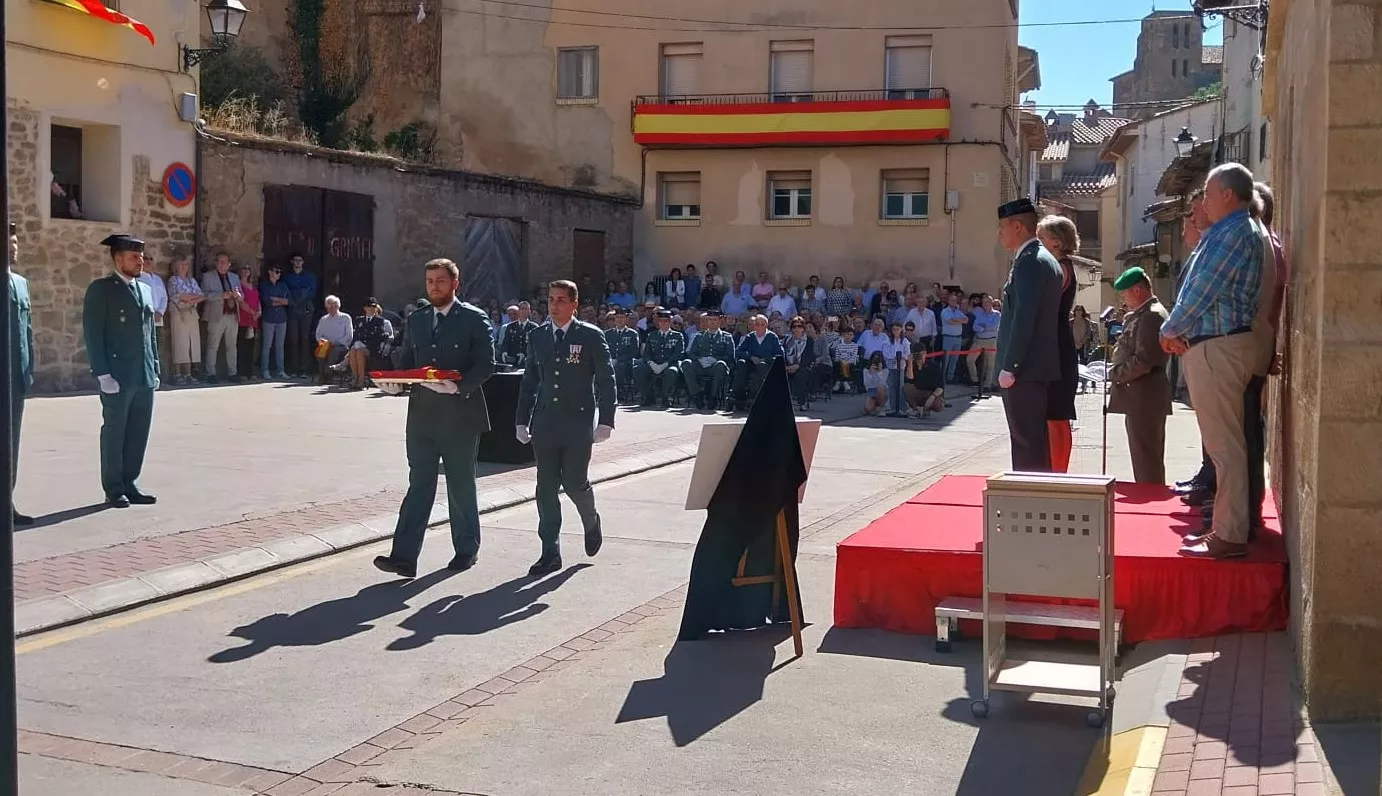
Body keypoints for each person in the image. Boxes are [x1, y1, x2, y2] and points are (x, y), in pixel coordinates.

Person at [1163, 164, 1266, 560]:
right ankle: (1226, 528)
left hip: (1218, 348)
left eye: (1207, 192)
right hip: (1216, 345)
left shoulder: (1235, 232)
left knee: (1225, 447)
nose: (1203, 200)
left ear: (1228, 194)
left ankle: (1230, 534)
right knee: (1225, 446)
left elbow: (1202, 290)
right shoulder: (1233, 230)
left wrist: (1170, 329)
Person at [373, 259, 496, 580]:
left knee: (460, 486)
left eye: (440, 281)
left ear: (455, 284)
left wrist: (458, 386)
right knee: (419, 486)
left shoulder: (472, 318)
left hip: (460, 416)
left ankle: (466, 549)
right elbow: (408, 362)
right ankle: (403, 557)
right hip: (423, 418)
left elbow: (486, 364)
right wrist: (395, 385)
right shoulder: (417, 319)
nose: (434, 287)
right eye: (429, 281)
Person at [515, 280, 615, 576]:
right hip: (546, 421)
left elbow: (606, 380)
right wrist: (521, 419)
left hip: (577, 420)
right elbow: (530, 381)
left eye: (561, 300)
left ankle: (590, 520)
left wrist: (606, 420)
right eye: (550, 300)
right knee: (545, 487)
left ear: (574, 304)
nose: (554, 305)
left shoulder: (590, 336)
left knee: (573, 482)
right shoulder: (538, 336)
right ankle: (550, 552)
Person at [83, 234, 159, 508]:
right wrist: (102, 374)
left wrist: (155, 367)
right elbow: (93, 333)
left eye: (141, 256)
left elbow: (150, 334)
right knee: (115, 432)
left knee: (138, 431)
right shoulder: (102, 289)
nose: (140, 261)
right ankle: (114, 488)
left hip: (143, 375)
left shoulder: (145, 290)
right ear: (118, 259)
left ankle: (130, 482)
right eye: (133, 257)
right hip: (117, 375)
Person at [994, 198, 1064, 471]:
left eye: (1003, 227)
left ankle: (1030, 500)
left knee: (1026, 443)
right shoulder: (1038, 258)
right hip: (1033, 366)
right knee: (1032, 440)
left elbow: (1024, 318)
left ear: (1018, 226)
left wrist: (1010, 365)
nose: (999, 233)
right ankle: (1036, 495)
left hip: (1025, 368)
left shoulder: (1031, 261)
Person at [1107, 267, 1172, 484]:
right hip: (1141, 396)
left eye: (1124, 293)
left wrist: (1117, 373)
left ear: (1137, 290)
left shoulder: (1151, 316)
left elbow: (1144, 361)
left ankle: (1151, 503)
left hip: (1145, 396)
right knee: (1144, 456)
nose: (1123, 299)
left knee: (1147, 460)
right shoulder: (1143, 314)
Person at [1036, 215, 1082, 473]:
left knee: (1057, 416)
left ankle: (1058, 472)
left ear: (1056, 241)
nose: (1038, 242)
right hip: (1053, 344)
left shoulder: (1060, 268)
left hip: (1057, 347)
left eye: (1041, 237)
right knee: (1052, 416)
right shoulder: (1057, 265)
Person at [9, 224, 35, 525]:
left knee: (12, 443)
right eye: (9, 241)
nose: (14, 247)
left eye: (16, 241)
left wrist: (29, 369)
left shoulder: (20, 283)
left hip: (16, 377)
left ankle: (7, 503)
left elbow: (28, 332)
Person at [200, 252, 242, 383]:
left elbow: (242, 296)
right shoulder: (207, 277)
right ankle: (210, 373)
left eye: (225, 262)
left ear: (229, 264)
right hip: (216, 314)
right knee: (213, 345)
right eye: (219, 262)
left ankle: (232, 372)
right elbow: (203, 295)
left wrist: (237, 296)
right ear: (216, 263)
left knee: (232, 346)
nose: (222, 264)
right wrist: (220, 296)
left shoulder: (234, 277)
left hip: (232, 315)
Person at [680, 310, 734, 410]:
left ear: (719, 321)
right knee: (686, 363)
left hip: (716, 367)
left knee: (721, 365)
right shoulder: (699, 336)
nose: (712, 322)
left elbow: (731, 356)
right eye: (710, 320)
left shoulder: (727, 337)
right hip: (701, 365)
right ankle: (696, 395)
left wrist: (715, 359)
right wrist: (700, 359)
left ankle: (713, 397)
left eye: (715, 320)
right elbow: (691, 353)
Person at [730, 314, 782, 410]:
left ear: (766, 326)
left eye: (762, 324)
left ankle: (752, 396)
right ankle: (738, 393)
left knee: (761, 366)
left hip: (766, 365)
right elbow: (738, 351)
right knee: (741, 363)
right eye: (757, 324)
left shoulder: (772, 337)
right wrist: (750, 357)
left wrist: (765, 359)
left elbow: (780, 354)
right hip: (751, 362)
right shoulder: (750, 337)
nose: (759, 327)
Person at [166, 256, 204, 385]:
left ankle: (188, 374)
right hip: (179, 314)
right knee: (180, 343)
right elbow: (176, 296)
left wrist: (189, 299)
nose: (184, 267)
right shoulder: (173, 280)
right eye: (181, 264)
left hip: (192, 313)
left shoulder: (191, 280)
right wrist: (190, 298)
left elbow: (201, 296)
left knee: (191, 344)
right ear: (175, 267)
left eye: (186, 264)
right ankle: (177, 374)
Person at [635, 310, 684, 407]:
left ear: (670, 322)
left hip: (669, 364)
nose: (663, 323)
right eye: (661, 321)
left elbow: (679, 354)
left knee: (672, 372)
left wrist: (665, 364)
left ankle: (665, 397)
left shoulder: (678, 336)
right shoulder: (652, 335)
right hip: (654, 363)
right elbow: (646, 353)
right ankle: (648, 396)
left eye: (666, 321)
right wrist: (651, 363)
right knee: (638, 370)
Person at [283, 254, 318, 378]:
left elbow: (311, 293)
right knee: (293, 339)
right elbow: (286, 292)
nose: (297, 262)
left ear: (303, 262)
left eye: (300, 260)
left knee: (304, 338)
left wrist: (296, 295)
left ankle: (304, 369)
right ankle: (293, 368)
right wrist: (301, 293)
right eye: (295, 260)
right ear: (292, 261)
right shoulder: (287, 277)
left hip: (306, 310)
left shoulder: (310, 277)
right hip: (292, 310)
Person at [259, 264, 291, 379]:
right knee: (267, 345)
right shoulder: (264, 285)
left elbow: (288, 301)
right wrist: (280, 300)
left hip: (282, 318)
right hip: (269, 318)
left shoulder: (282, 285)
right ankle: (265, 370)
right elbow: (267, 301)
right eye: (276, 271)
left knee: (280, 345)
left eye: (279, 272)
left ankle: (280, 370)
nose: (278, 274)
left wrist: (276, 299)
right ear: (270, 272)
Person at [603, 307, 641, 403]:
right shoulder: (607, 334)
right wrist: (609, 359)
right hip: (610, 361)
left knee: (620, 367)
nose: (619, 320)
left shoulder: (632, 334)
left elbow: (634, 351)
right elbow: (604, 349)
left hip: (626, 363)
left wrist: (618, 359)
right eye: (617, 317)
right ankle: (603, 392)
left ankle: (617, 392)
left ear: (626, 319)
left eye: (622, 317)